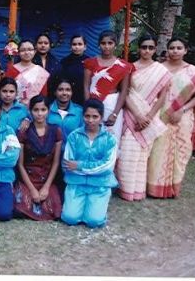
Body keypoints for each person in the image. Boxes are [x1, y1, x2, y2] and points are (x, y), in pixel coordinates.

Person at [147, 37, 195, 198]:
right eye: (172, 48)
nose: (175, 51)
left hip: (183, 117)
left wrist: (182, 109)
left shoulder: (194, 72)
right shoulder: (158, 68)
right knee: (157, 150)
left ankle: (173, 188)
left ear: (185, 50)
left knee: (181, 151)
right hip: (160, 116)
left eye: (179, 48)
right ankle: (155, 188)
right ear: (167, 50)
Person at [115, 34, 171, 201]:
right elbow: (125, 93)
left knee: (142, 155)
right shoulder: (130, 68)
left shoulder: (161, 71)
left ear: (155, 49)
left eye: (150, 48)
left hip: (149, 117)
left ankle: (138, 191)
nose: (147, 50)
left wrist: (148, 117)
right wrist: (138, 116)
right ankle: (124, 189)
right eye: (144, 47)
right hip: (131, 116)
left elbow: (162, 97)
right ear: (138, 48)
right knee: (126, 153)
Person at [61, 99, 118, 228]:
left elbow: (107, 167)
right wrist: (90, 167)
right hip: (76, 184)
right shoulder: (74, 136)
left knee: (94, 221)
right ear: (82, 116)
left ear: (101, 118)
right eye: (87, 116)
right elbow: (68, 165)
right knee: (70, 218)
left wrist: (80, 165)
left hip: (100, 185)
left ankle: (95, 209)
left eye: (95, 117)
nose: (90, 120)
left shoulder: (110, 139)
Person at [14, 95, 62, 221]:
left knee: (55, 210)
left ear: (48, 111)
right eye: (36, 110)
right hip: (28, 178)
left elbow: (56, 163)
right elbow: (20, 164)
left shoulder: (55, 131)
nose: (39, 114)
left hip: (47, 178)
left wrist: (46, 187)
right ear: (30, 111)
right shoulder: (24, 132)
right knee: (18, 209)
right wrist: (32, 189)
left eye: (43, 110)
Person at [83, 30, 133, 141]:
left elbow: (124, 91)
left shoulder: (123, 66)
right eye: (103, 43)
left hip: (112, 103)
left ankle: (111, 159)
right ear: (99, 44)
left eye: (110, 43)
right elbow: (86, 86)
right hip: (93, 101)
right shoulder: (90, 63)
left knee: (112, 137)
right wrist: (88, 107)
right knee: (91, 136)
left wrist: (115, 113)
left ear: (115, 45)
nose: (106, 46)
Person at [4, 39, 50, 106]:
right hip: (15, 108)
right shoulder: (12, 69)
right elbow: (6, 90)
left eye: (30, 50)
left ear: (34, 51)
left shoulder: (40, 71)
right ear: (18, 52)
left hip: (35, 109)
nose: (27, 52)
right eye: (23, 50)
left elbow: (43, 94)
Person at [47, 79, 84, 146]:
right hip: (51, 154)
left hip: (73, 153)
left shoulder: (79, 111)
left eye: (68, 90)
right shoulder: (47, 110)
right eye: (60, 90)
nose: (64, 93)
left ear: (72, 92)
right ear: (55, 92)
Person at [59, 35, 90, 105]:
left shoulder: (89, 62)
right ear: (70, 47)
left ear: (85, 47)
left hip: (84, 97)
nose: (77, 47)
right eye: (74, 44)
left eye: (80, 44)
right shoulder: (64, 62)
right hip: (67, 97)